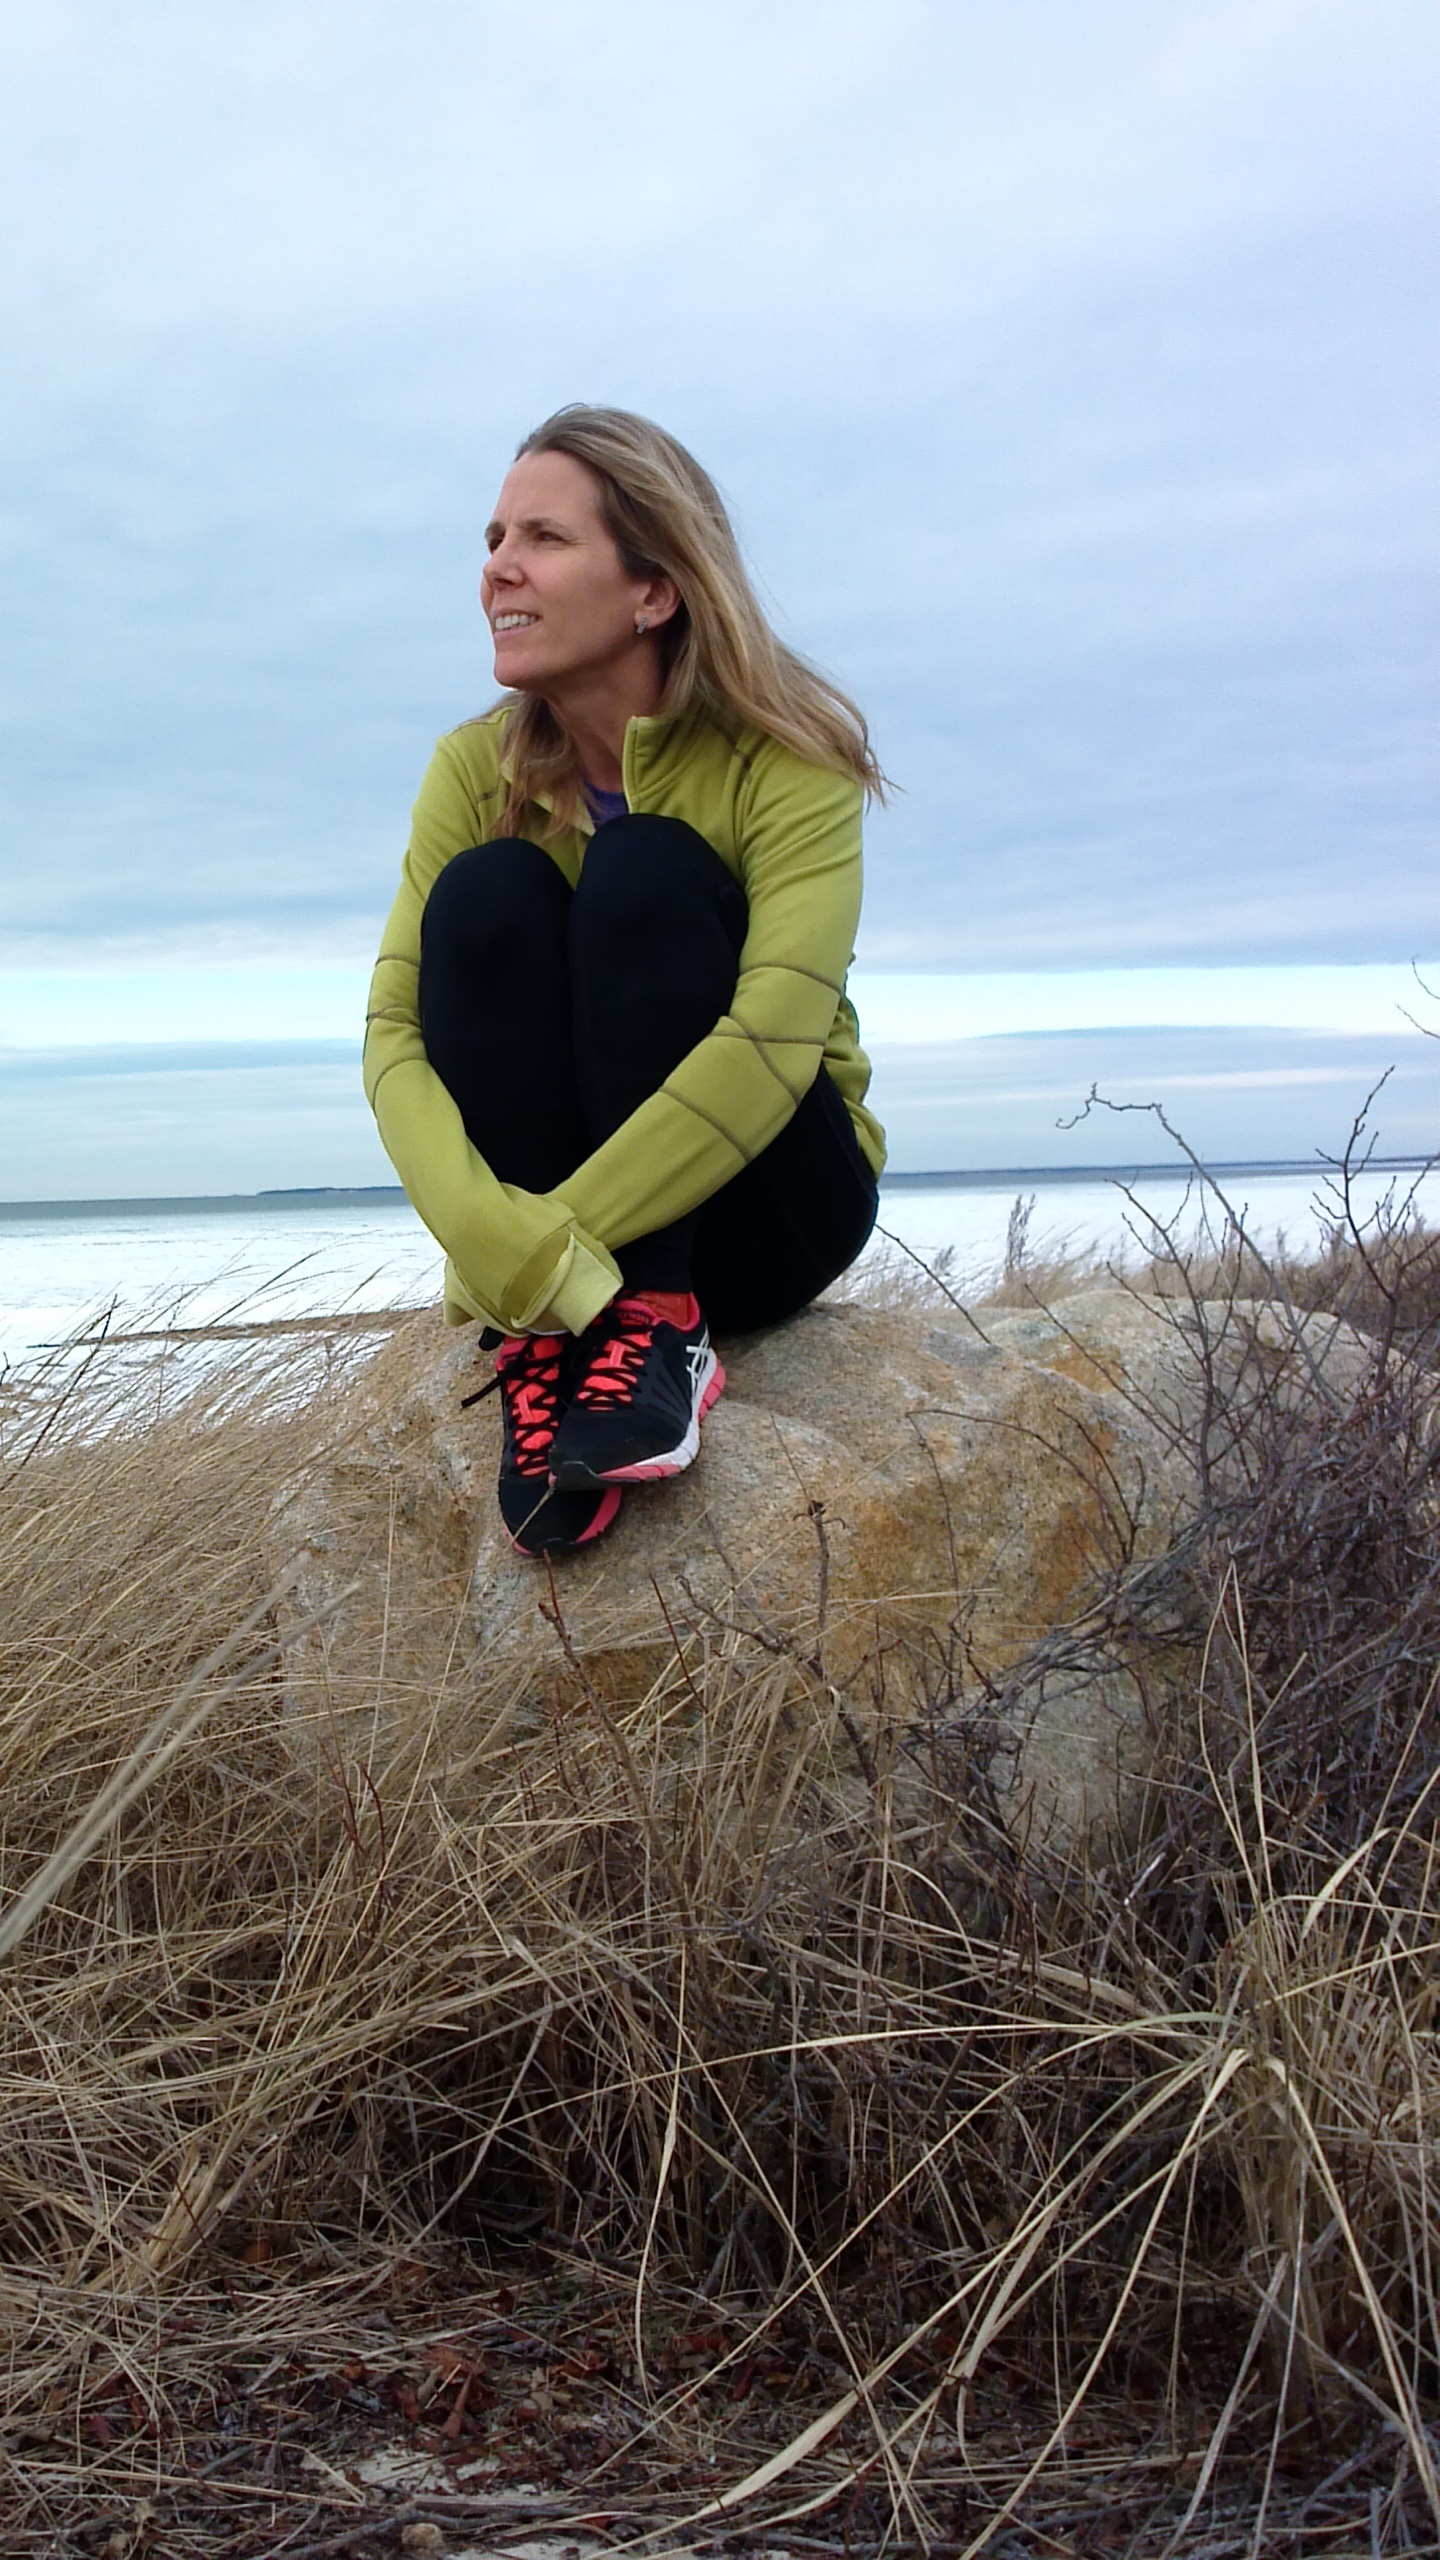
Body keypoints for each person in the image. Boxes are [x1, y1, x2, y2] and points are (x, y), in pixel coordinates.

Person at [363, 405, 886, 1558]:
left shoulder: (788, 755)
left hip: (772, 1205)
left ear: (653, 589)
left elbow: (770, 1041)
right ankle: (566, 1351)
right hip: (555, 1265)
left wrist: (544, 1251)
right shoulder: (471, 766)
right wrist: (489, 1238)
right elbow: (393, 1035)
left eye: (542, 538)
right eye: (493, 536)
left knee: (645, 871)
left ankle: (653, 1324)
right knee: (487, 895)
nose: (498, 563)